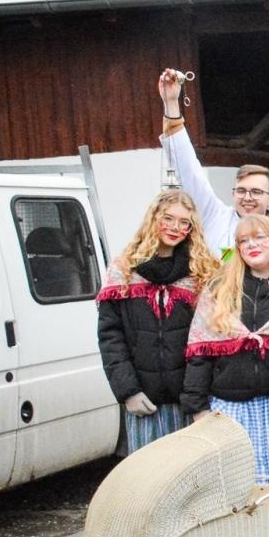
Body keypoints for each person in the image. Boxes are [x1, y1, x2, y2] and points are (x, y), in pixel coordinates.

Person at [97, 189, 221, 453]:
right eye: (168, 218)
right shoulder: (124, 271)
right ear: (153, 218)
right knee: (149, 481)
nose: (175, 227)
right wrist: (127, 391)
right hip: (144, 400)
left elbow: (210, 338)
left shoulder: (202, 271)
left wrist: (200, 395)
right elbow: (111, 337)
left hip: (190, 400)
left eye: (184, 222)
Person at [183, 214, 269, 477]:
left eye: (260, 237)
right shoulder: (220, 290)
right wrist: (197, 407)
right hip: (230, 405)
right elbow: (200, 352)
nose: (251, 245)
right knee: (236, 481)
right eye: (243, 241)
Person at [158, 70, 269, 256]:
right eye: (242, 191)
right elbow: (188, 169)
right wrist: (171, 103)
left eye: (256, 192)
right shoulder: (214, 216)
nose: (247, 198)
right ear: (233, 193)